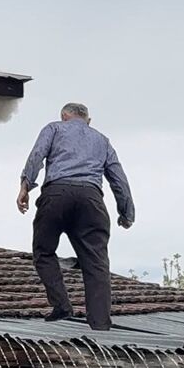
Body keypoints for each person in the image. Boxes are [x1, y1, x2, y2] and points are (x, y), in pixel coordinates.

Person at [17, 102, 135, 330]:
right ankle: (100, 324)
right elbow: (118, 178)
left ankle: (62, 305)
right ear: (88, 120)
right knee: (97, 263)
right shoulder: (102, 140)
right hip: (91, 201)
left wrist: (25, 186)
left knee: (43, 250)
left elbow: (37, 155)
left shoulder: (53, 129)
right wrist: (126, 212)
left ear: (64, 116)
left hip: (56, 195)